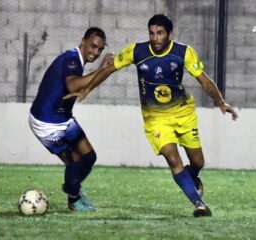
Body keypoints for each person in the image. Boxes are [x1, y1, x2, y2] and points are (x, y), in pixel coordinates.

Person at [65, 14, 238, 217]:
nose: (155, 38)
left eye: (160, 33)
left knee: (198, 161)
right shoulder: (136, 51)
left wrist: (220, 102)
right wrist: (88, 89)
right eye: (152, 33)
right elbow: (109, 69)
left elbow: (205, 81)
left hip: (183, 113)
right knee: (173, 159)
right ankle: (199, 204)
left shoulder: (184, 52)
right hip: (155, 119)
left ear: (169, 34)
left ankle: (192, 177)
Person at [29, 27, 113, 212]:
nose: (96, 52)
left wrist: (104, 71)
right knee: (74, 163)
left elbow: (87, 82)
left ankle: (74, 189)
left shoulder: (77, 61)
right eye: (93, 46)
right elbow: (72, 84)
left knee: (89, 157)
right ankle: (73, 199)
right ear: (83, 41)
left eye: (100, 49)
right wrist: (101, 70)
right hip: (46, 122)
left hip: (62, 117)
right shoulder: (72, 59)